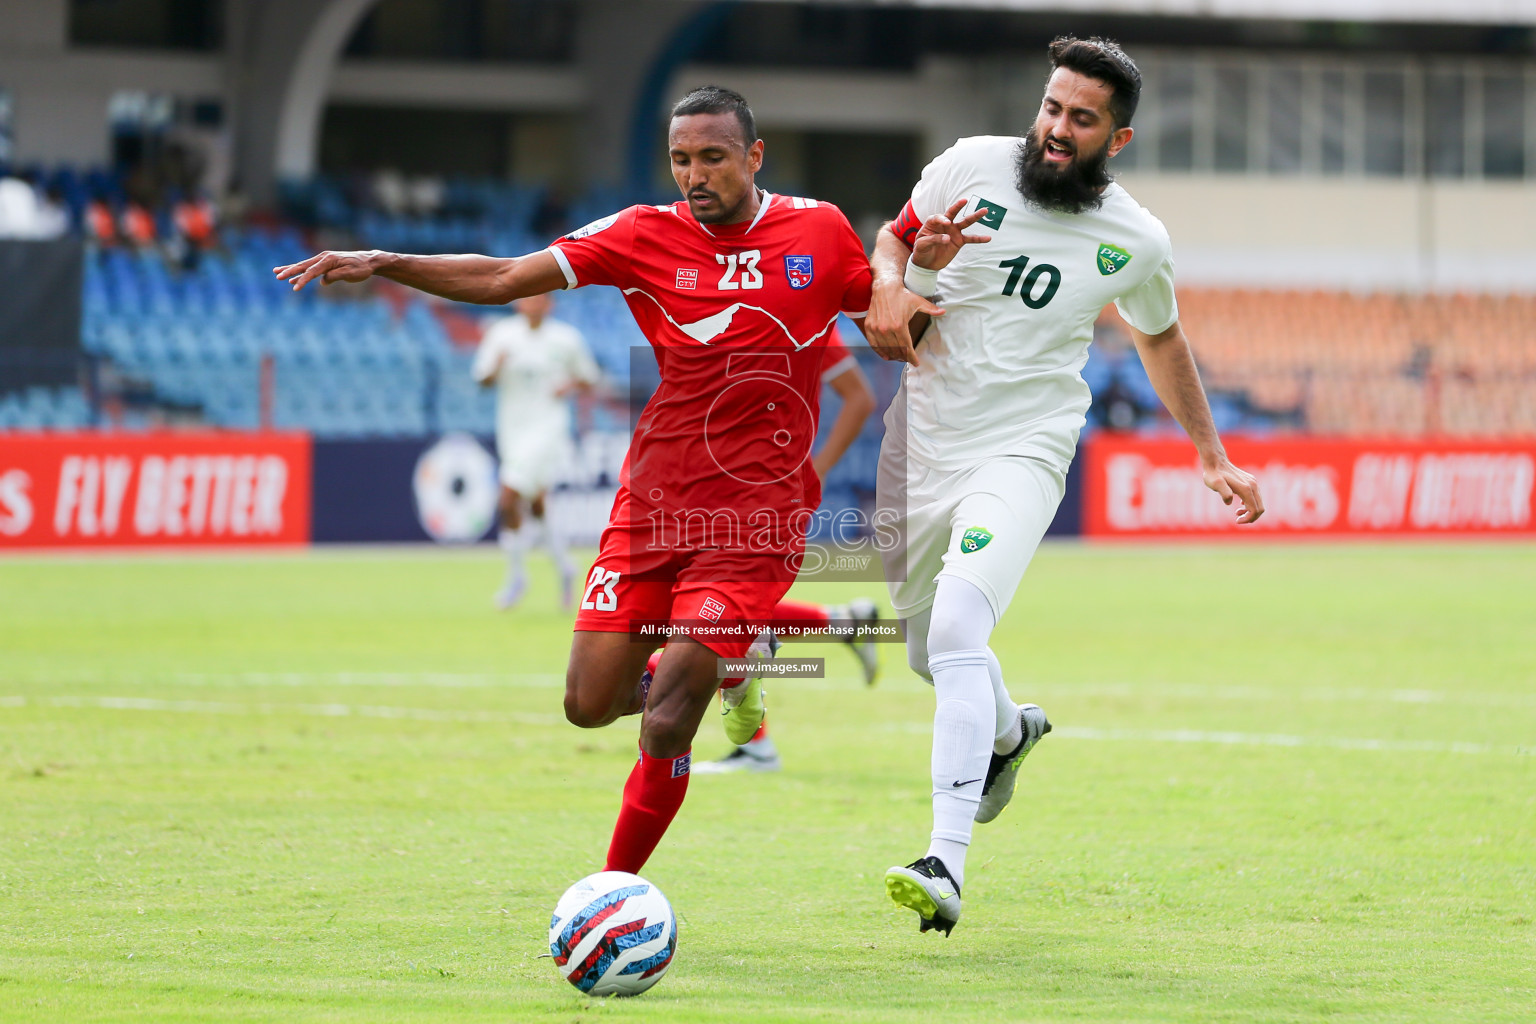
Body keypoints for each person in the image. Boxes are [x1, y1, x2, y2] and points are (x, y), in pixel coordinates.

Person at [275, 85, 874, 877]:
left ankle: (613, 892)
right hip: (652, 504)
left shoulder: (819, 230)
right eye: (681, 159)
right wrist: (388, 261)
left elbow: (891, 318)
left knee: (665, 722)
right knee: (589, 704)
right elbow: (502, 278)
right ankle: (720, 664)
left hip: (752, 516)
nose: (695, 175)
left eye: (713, 158)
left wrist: (922, 264)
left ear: (754, 156)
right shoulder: (639, 233)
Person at [863, 36, 1266, 936]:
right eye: (1051, 107)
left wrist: (1209, 453)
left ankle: (946, 863)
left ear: (1115, 139)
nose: (1054, 129)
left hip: (1026, 447)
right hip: (921, 443)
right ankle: (1009, 734)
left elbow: (1160, 339)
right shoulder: (968, 165)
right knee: (932, 656)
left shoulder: (1136, 239)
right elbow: (890, 246)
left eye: (1081, 119)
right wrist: (896, 279)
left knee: (964, 627)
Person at [696, 329, 881, 774]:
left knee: (716, 610)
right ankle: (842, 622)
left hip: (756, 493)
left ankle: (756, 747)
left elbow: (859, 398)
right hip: (708, 481)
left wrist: (813, 472)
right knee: (715, 607)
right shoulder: (722, 300)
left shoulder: (805, 316)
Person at [471, 292, 600, 610]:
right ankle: (566, 566)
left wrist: (567, 386)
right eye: (528, 298)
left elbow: (589, 378)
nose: (533, 303)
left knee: (508, 494)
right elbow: (482, 379)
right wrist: (496, 367)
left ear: (550, 303)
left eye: (539, 298)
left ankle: (516, 577)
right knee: (538, 503)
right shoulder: (502, 334)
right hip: (513, 429)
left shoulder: (566, 339)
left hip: (548, 428)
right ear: (518, 303)